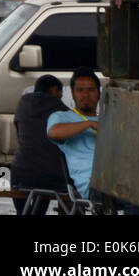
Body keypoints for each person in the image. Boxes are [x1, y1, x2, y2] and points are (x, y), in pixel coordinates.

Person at [10, 74, 69, 214]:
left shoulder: (22, 104)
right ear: (54, 90)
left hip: (19, 175)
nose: (60, 96)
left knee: (24, 172)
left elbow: (20, 134)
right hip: (52, 177)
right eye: (60, 93)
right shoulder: (60, 108)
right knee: (49, 171)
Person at [46, 68, 101, 200]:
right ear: (72, 93)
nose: (86, 95)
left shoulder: (108, 120)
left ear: (99, 93)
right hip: (92, 183)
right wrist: (89, 124)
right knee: (135, 197)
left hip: (120, 177)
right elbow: (54, 132)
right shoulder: (61, 117)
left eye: (91, 90)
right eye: (80, 90)